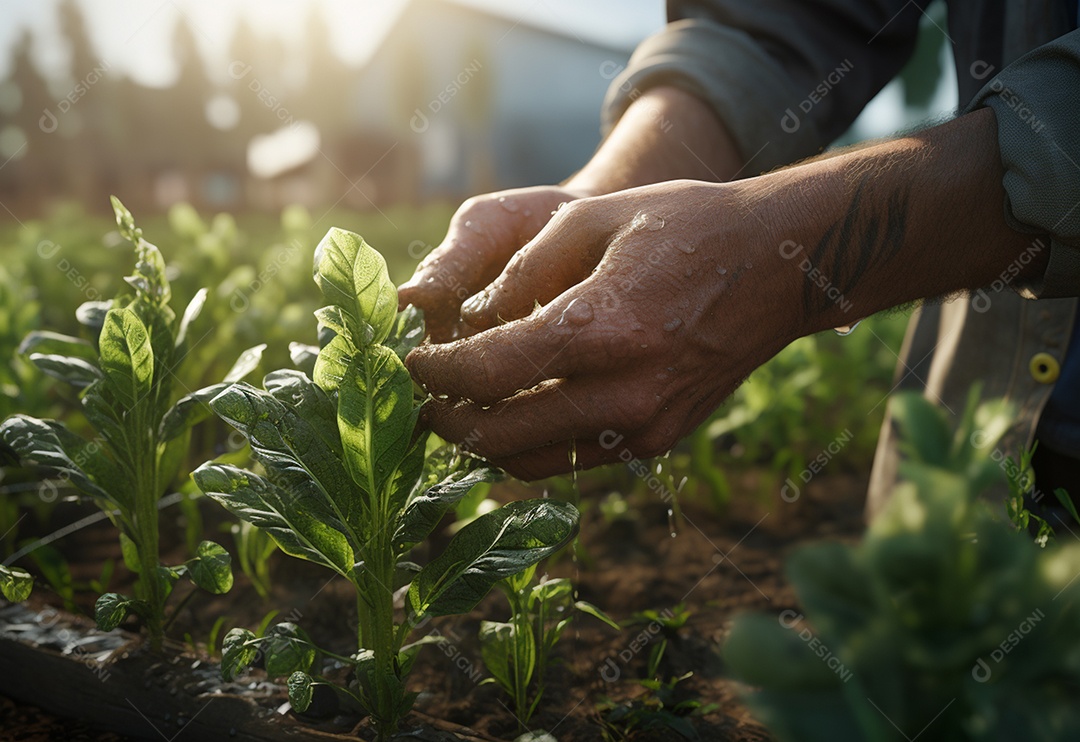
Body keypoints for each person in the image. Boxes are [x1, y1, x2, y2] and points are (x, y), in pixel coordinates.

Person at [398, 0, 1080, 519]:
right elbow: (781, 17)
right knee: (922, 688)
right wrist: (590, 206)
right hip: (979, 408)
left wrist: (783, 256)